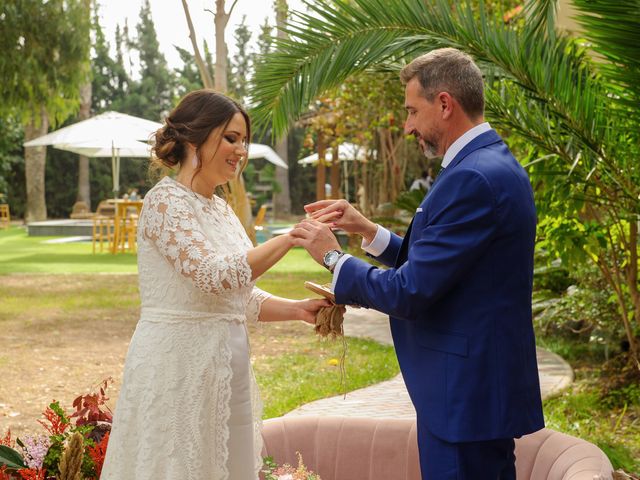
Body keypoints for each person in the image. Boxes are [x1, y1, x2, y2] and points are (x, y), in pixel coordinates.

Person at [290, 48, 544, 479]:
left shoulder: (472, 177)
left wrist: (333, 257)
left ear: (444, 104)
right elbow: (445, 262)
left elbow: (409, 291)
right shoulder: (485, 164)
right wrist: (368, 231)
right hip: (473, 392)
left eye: (411, 110)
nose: (407, 125)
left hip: (465, 395)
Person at [100, 90, 330, 480]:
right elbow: (213, 276)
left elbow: (239, 295)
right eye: (230, 138)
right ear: (194, 140)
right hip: (178, 369)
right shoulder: (165, 202)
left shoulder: (221, 209)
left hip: (227, 369)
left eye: (243, 140)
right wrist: (291, 238)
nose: (241, 150)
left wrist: (296, 310)